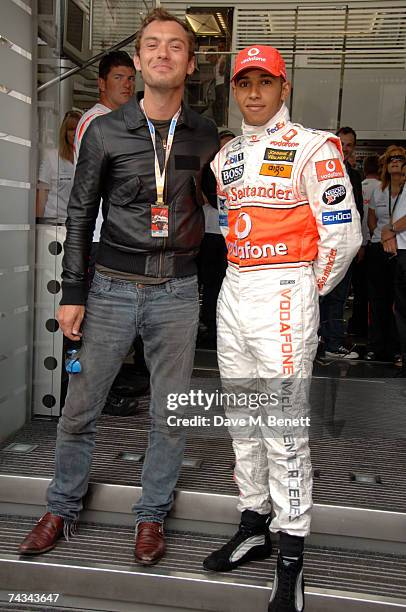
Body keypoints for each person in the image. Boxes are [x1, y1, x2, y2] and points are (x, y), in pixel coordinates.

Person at [18, 8, 219, 566]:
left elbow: (224, 200)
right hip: (108, 289)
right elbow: (80, 215)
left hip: (177, 292)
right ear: (136, 61)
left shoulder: (204, 134)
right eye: (151, 45)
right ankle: (61, 506)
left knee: (170, 413)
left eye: (174, 46)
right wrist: (72, 293)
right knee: (81, 407)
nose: (162, 54)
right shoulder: (105, 130)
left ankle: (151, 516)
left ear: (191, 62)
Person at [203, 45, 361, 612]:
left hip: (284, 292)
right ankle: (254, 522)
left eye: (263, 82)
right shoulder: (225, 158)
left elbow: (344, 235)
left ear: (283, 87)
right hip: (234, 289)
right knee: (242, 420)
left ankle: (291, 551)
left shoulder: (315, 147)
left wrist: (302, 289)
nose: (252, 93)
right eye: (243, 83)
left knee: (283, 427)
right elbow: (227, 227)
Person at [73, 50, 143, 416]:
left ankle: (109, 386)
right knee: (100, 319)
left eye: (131, 78)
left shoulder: (117, 120)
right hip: (99, 235)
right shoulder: (96, 122)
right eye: (119, 77)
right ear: (101, 83)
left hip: (111, 235)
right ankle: (98, 395)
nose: (127, 84)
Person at [319, 126, 364, 358]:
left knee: (338, 297)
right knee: (318, 296)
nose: (345, 149)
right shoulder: (320, 170)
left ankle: (333, 343)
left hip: (346, 247)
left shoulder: (354, 175)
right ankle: (314, 343)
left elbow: (358, 212)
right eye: (342, 144)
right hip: (322, 247)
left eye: (349, 145)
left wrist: (358, 245)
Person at [366, 145, 406, 362]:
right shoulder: (378, 190)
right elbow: (371, 219)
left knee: (399, 302)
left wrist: (390, 233)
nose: (395, 161)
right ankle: (376, 346)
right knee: (377, 299)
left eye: (400, 158)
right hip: (378, 248)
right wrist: (381, 236)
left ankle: (396, 347)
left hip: (401, 249)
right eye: (391, 158)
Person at [197, 129, 234, 346]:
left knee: (224, 284)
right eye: (222, 146)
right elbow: (211, 198)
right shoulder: (208, 169)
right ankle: (208, 326)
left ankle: (219, 326)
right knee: (210, 283)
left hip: (233, 236)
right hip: (210, 233)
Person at [347, 154, 380, 336]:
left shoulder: (358, 185)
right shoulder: (383, 189)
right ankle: (368, 328)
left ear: (365, 169)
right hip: (374, 244)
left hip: (355, 244)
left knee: (357, 290)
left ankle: (356, 325)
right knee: (372, 292)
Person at [381, 160, 406, 376]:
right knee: (400, 308)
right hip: (401, 250)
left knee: (403, 309)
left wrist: (390, 229)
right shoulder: (396, 189)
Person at [36, 111, 81, 219]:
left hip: (78, 224)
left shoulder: (88, 158)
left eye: (77, 129)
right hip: (53, 224)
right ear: (64, 132)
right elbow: (42, 195)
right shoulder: (51, 157)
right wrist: (39, 223)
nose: (75, 133)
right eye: (71, 129)